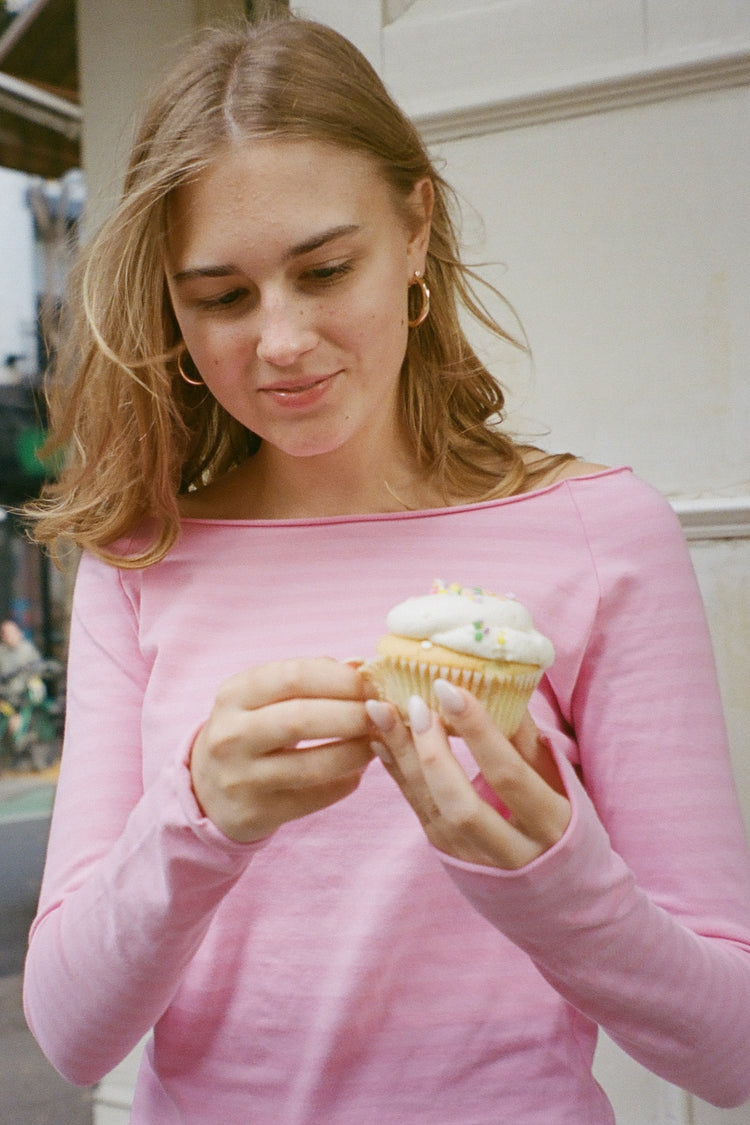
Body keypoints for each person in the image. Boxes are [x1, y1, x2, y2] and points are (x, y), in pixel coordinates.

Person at [21, 14, 750, 1124]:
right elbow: (71, 1034)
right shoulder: (140, 559)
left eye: (325, 269)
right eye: (220, 296)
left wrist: (552, 880)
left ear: (416, 228)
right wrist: (196, 820)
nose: (281, 341)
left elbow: (731, 1051)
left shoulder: (604, 535)